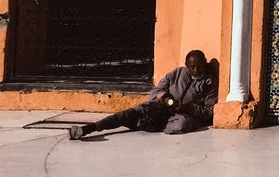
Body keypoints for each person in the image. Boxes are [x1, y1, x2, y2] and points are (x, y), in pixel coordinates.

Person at [68, 50, 217, 139]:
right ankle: (89, 128)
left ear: (205, 63)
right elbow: (156, 91)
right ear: (186, 66)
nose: (195, 70)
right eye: (192, 67)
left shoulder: (209, 82)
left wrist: (187, 107)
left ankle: (143, 123)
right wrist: (164, 97)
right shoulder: (177, 73)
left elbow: (209, 112)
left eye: (199, 66)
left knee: (182, 124)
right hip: (159, 107)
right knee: (128, 114)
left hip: (180, 115)